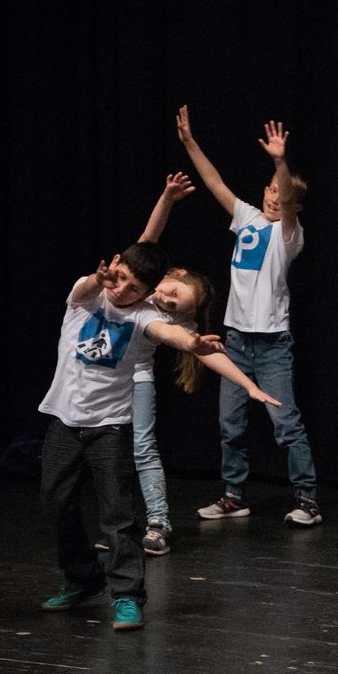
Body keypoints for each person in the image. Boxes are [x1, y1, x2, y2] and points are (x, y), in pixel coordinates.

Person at [38, 244, 280, 631]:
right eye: (119, 280)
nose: (122, 291)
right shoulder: (89, 295)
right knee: (55, 504)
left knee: (117, 516)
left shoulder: (144, 316)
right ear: (113, 267)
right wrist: (100, 278)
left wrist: (201, 350)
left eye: (134, 288)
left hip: (110, 427)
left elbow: (170, 334)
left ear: (146, 291)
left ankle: (127, 596)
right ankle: (83, 578)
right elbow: (88, 286)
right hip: (64, 421)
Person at [174, 108, 321, 527]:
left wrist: (281, 161)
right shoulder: (247, 219)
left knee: (285, 423)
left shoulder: (289, 235)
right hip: (236, 340)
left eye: (283, 193)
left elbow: (287, 203)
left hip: (272, 344)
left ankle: (307, 499)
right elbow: (214, 181)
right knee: (230, 424)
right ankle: (233, 495)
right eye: (271, 189)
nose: (275, 197)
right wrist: (189, 142)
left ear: (295, 205)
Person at [128, 171, 216, 556]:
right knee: (106, 452)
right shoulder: (141, 282)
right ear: (174, 273)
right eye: (172, 292)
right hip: (101, 379)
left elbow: (197, 346)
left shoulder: (169, 318)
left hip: (136, 380)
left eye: (174, 305)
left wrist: (248, 385)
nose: (165, 300)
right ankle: (119, 523)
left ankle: (159, 521)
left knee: (143, 448)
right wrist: (167, 198)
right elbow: (147, 240)